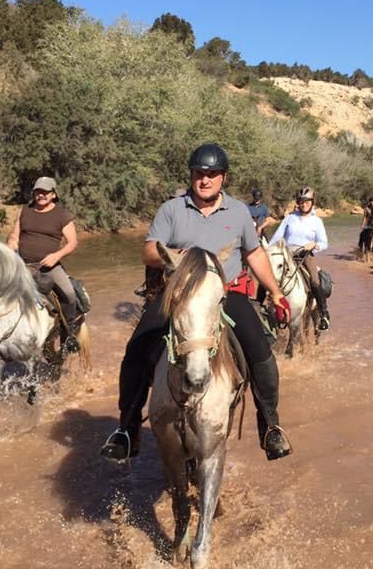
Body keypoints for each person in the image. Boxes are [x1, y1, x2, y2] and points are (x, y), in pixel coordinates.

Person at [101, 144, 293, 463]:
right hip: (179, 292)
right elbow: (149, 251)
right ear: (191, 175)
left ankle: (270, 426)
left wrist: (274, 291)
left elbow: (255, 253)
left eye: (211, 175)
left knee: (260, 349)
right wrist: (178, 256)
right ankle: (127, 428)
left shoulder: (238, 212)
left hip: (225, 293)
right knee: (138, 346)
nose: (205, 180)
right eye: (199, 174)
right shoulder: (172, 209)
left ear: (223, 178)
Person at [0, 176, 81, 359]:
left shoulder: (62, 215)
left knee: (69, 294)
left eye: (45, 192)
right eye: (38, 191)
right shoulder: (26, 211)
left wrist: (56, 256)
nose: (41, 195)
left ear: (54, 194)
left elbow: (72, 242)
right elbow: (14, 235)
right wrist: (12, 243)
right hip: (22, 264)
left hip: (49, 266)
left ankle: (68, 337)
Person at [269, 186, 331, 331]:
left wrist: (314, 245)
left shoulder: (317, 221)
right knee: (269, 274)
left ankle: (323, 314)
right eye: (302, 201)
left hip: (305, 254)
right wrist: (269, 250)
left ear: (312, 202)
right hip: (287, 254)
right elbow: (277, 237)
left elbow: (324, 243)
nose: (304, 204)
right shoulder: (290, 218)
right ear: (298, 202)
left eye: (307, 201)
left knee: (315, 281)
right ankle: (263, 308)